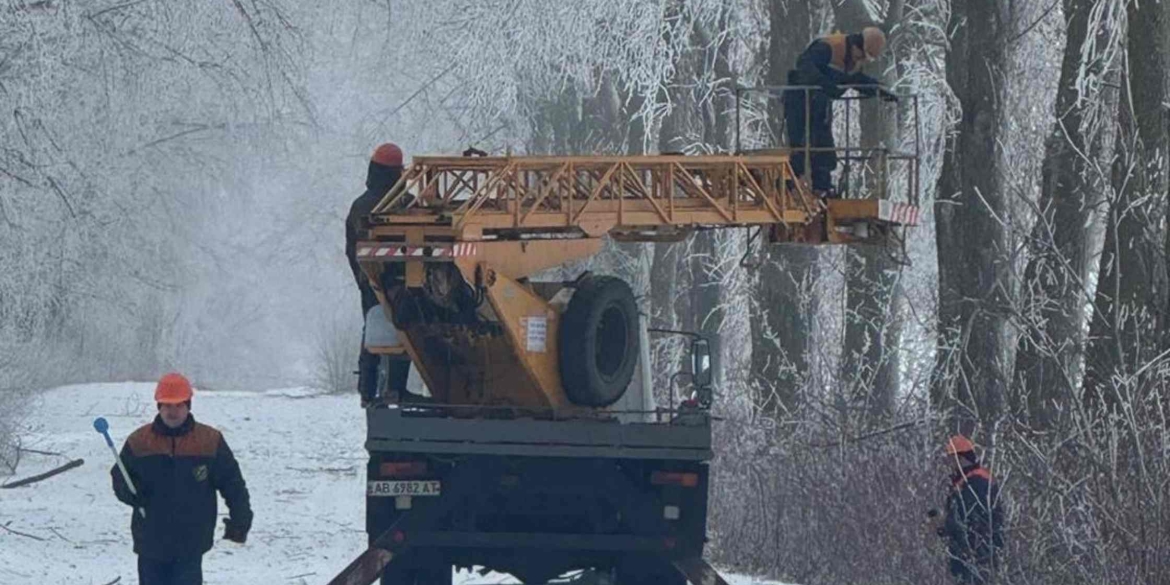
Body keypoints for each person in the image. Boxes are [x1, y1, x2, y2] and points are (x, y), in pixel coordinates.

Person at [109, 372, 252, 585]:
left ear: (188, 405)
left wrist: (240, 520)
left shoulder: (209, 441)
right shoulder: (140, 441)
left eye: (178, 405)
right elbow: (120, 477)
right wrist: (132, 493)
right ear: (159, 406)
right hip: (151, 540)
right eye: (167, 405)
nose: (172, 411)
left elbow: (232, 483)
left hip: (192, 541)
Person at [784, 26, 897, 197]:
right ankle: (791, 183)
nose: (861, 61)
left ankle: (822, 188)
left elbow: (856, 80)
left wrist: (878, 90)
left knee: (823, 143)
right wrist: (825, 84)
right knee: (799, 142)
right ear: (857, 45)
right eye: (862, 56)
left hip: (819, 103)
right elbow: (804, 64)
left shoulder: (852, 60)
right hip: (799, 98)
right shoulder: (829, 46)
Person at [345, 143, 412, 405]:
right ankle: (395, 388)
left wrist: (364, 279)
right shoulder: (400, 203)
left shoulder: (360, 204)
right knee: (405, 329)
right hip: (396, 280)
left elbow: (352, 249)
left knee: (373, 331)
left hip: (370, 279)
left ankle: (367, 390)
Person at [937, 434, 1005, 583]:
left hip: (977, 554)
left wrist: (943, 526)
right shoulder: (972, 479)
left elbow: (967, 517)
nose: (949, 463)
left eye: (951, 458)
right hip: (976, 553)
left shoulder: (975, 482)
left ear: (960, 458)